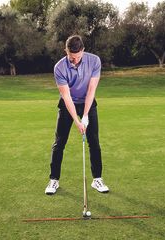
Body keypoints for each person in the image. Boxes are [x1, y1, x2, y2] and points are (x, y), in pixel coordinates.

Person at [45, 35, 109, 195]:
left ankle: (97, 179)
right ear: (66, 51)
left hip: (87, 101)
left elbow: (91, 90)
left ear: (83, 51)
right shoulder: (59, 67)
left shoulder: (94, 61)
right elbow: (66, 96)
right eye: (71, 57)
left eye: (78, 57)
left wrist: (85, 116)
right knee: (59, 143)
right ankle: (54, 180)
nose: (74, 61)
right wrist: (77, 121)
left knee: (94, 142)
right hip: (69, 104)